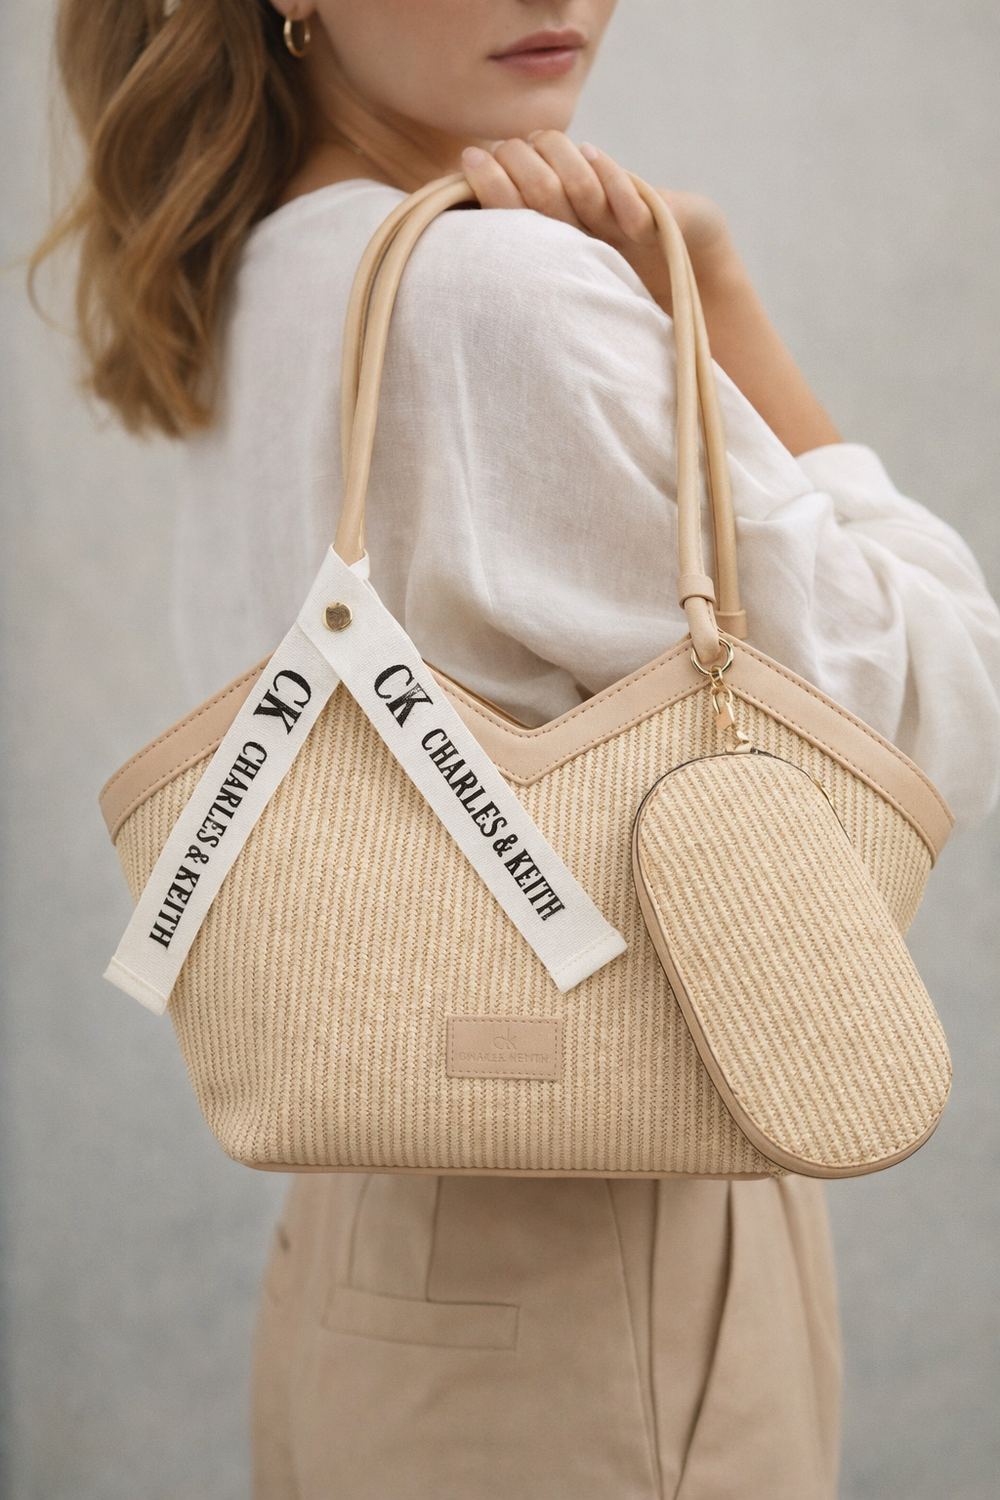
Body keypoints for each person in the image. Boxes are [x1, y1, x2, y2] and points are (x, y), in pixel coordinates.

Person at [37, 1, 1000, 1496]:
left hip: (356, 1254)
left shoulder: (265, 268)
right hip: (597, 1286)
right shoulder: (499, 290)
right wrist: (720, 297)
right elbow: (939, 707)